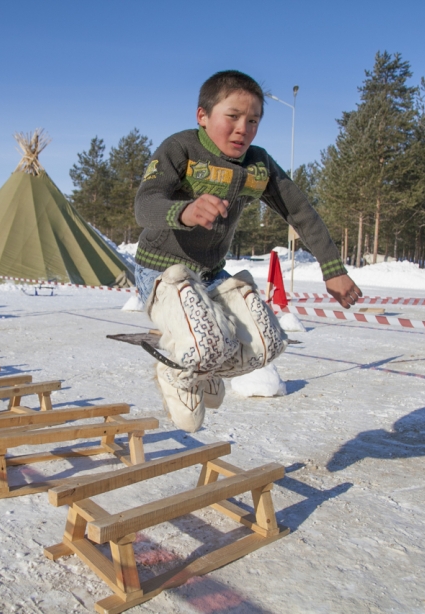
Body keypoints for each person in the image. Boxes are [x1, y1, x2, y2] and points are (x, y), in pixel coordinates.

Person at [134, 70, 362, 433]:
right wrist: (184, 211)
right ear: (203, 116)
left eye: (253, 120)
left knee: (266, 344)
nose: (244, 128)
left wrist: (332, 267)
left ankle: (203, 367)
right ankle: (177, 369)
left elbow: (300, 212)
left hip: (210, 274)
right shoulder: (182, 148)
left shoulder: (259, 165)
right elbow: (144, 205)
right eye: (233, 117)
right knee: (205, 342)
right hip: (161, 269)